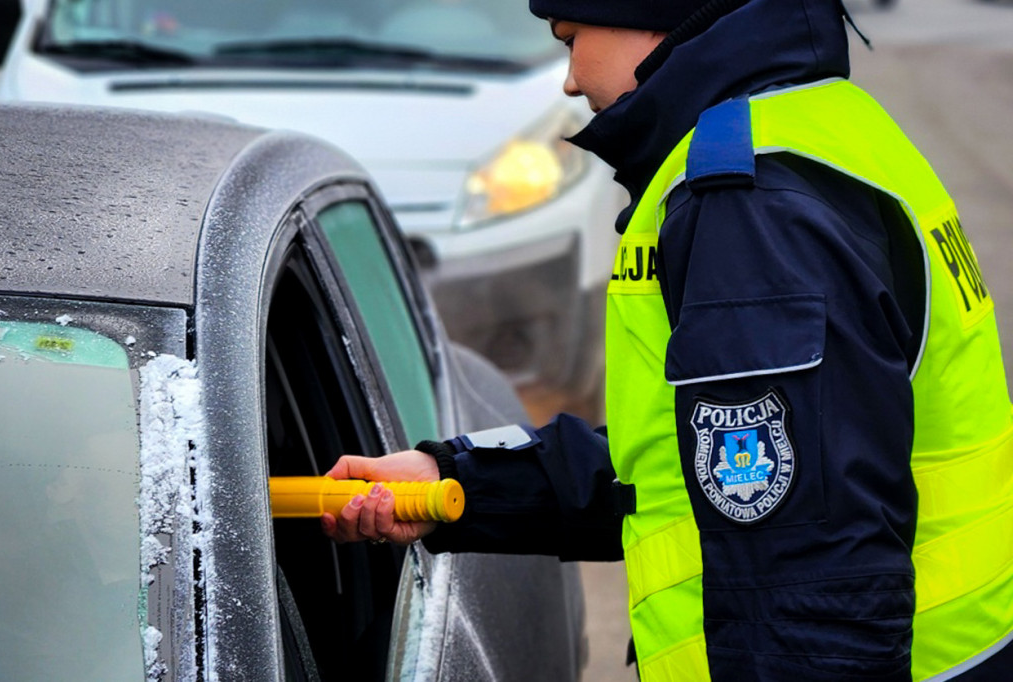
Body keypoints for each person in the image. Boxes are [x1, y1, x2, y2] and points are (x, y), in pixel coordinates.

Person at [322, 0, 1013, 679]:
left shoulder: (748, 202)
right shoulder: (823, 124)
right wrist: (454, 481)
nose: (571, 79)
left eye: (570, 39)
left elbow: (806, 581)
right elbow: (692, 469)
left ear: (654, 14)